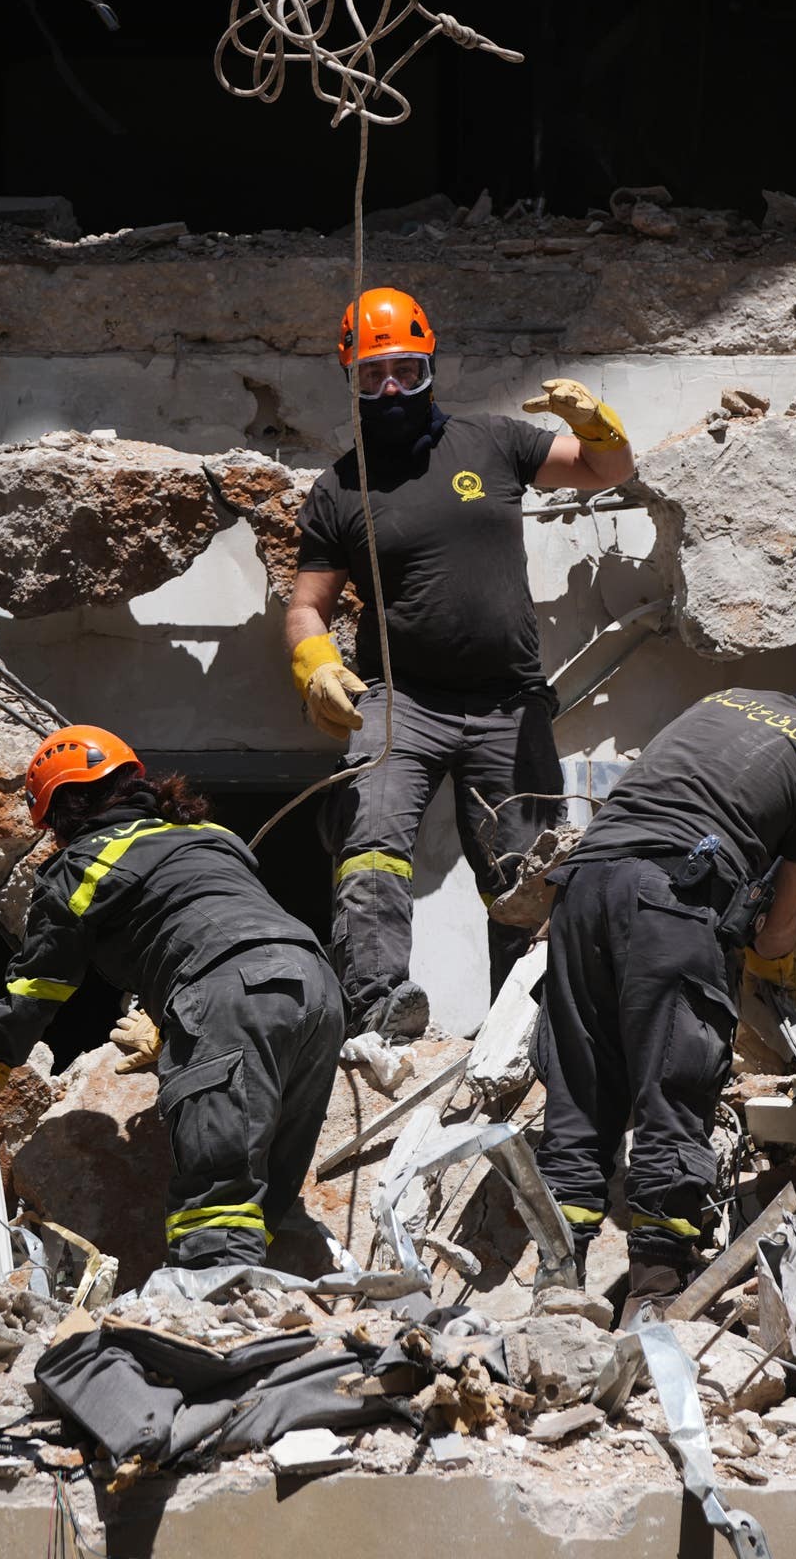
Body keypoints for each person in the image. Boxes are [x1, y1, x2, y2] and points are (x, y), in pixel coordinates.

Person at [532, 638, 796, 1324]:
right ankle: (655, 1296)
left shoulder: (726, 701)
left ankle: (555, 1283)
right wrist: (773, 966)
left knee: (580, 1083)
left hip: (581, 889)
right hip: (671, 906)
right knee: (674, 1090)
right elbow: (787, 912)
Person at [285, 286, 638, 1040]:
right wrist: (313, 659)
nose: (390, 390)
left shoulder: (493, 442)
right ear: (350, 379)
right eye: (373, 376)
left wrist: (595, 422)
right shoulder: (339, 489)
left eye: (406, 372)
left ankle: (531, 1031)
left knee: (527, 874)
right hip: (399, 700)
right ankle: (380, 1006)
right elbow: (306, 605)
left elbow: (606, 470)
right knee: (369, 842)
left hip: (509, 704)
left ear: (431, 367)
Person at [0, 726, 346, 1270]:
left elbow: (38, 988)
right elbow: (212, 922)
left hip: (227, 993)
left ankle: (211, 1322)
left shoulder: (84, 862)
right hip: (318, 988)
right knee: (270, 1187)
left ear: (64, 811)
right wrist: (172, 1030)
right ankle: (271, 1316)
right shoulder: (208, 835)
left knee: (217, 1193)